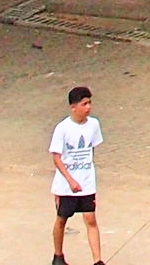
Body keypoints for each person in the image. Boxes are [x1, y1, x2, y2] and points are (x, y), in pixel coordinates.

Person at [49, 84, 105, 265]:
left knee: (90, 218)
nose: (88, 107)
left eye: (89, 103)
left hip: (87, 182)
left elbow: (92, 148)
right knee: (62, 219)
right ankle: (58, 256)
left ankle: (97, 260)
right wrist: (70, 180)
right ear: (73, 107)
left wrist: (87, 171)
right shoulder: (62, 128)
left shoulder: (93, 125)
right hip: (66, 186)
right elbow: (56, 158)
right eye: (84, 104)